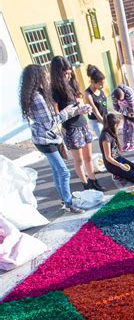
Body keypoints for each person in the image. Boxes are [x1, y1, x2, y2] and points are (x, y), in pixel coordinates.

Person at [19, 64, 89, 213]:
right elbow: (50, 123)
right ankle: (69, 204)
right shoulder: (37, 98)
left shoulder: (34, 94)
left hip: (42, 138)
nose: (46, 77)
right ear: (37, 78)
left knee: (57, 170)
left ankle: (65, 200)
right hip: (45, 139)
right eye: (44, 75)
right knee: (64, 172)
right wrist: (67, 111)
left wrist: (75, 111)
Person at [50, 55, 103, 191]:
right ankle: (86, 184)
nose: (68, 76)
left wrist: (84, 107)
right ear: (57, 74)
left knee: (88, 157)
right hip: (71, 128)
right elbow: (57, 115)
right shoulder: (54, 91)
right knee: (78, 160)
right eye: (65, 74)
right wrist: (72, 111)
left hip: (82, 123)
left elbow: (79, 102)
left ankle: (93, 181)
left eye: (69, 73)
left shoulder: (72, 84)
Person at [99, 113, 134, 185]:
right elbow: (108, 157)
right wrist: (120, 165)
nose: (120, 127)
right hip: (111, 164)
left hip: (118, 158)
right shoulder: (105, 137)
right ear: (114, 125)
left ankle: (120, 173)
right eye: (119, 125)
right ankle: (117, 174)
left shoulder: (112, 132)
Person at [85, 65, 107, 137]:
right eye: (100, 84)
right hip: (97, 121)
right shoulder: (88, 93)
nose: (102, 86)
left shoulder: (100, 90)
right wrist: (103, 122)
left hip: (105, 118)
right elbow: (94, 109)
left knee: (111, 141)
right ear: (93, 82)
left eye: (103, 83)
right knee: (104, 140)